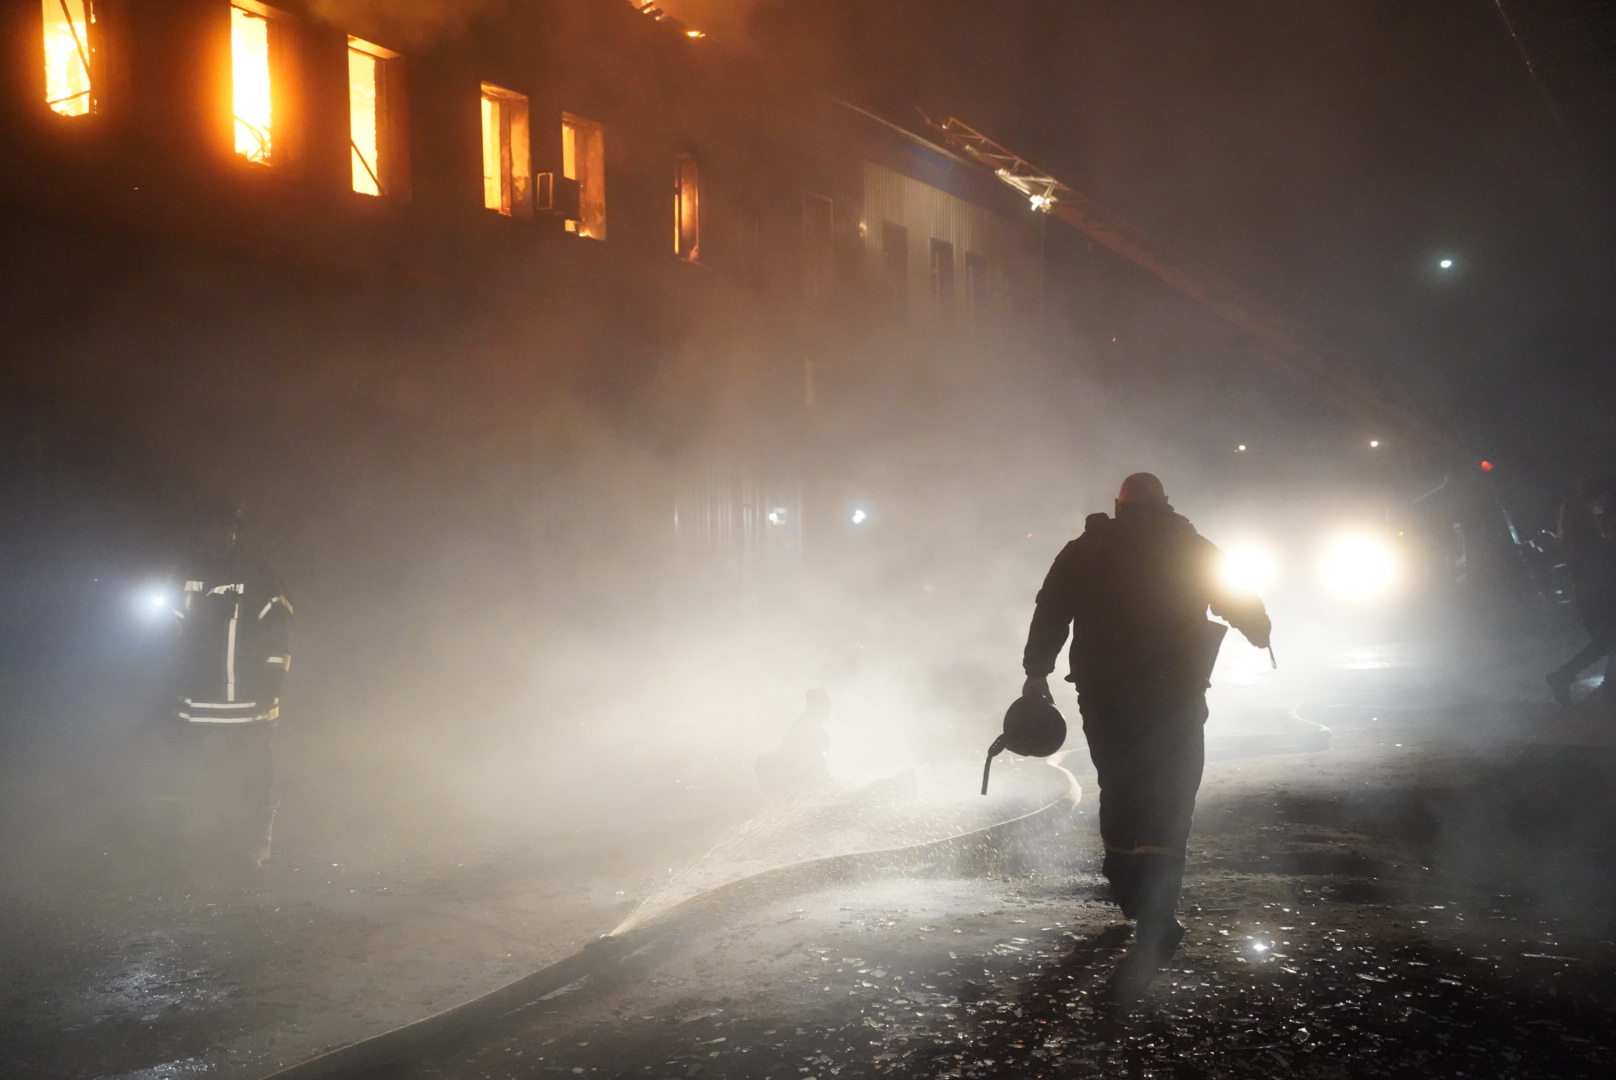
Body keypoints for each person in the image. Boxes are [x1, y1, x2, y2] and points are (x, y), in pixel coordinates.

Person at [1020, 472, 1270, 996]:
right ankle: (1156, 913)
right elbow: (1236, 594)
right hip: (1174, 694)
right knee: (1171, 792)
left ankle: (1128, 887)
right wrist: (1259, 630)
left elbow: (1051, 608)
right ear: (1165, 504)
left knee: (1119, 782)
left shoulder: (1087, 549)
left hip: (1104, 693)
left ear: (1119, 505)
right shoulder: (1189, 546)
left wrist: (1036, 670)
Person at [157, 499, 292, 871]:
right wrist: (166, 682)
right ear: (200, 531)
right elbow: (168, 629)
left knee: (257, 779)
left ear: (235, 532)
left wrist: (271, 682)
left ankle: (255, 848)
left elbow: (278, 631)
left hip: (249, 703)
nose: (216, 535)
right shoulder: (185, 571)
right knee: (176, 777)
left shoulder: (259, 573)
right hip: (194, 701)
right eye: (209, 527)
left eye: (224, 528)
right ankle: (171, 846)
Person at [1547, 478, 1615, 706]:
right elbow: (1597, 561)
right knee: (1608, 641)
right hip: (1596, 593)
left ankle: (1564, 677)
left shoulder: (1577, 526)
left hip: (1592, 593)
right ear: (1592, 499)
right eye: (1602, 498)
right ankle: (1606, 687)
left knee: (1606, 642)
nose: (1605, 503)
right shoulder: (1583, 529)